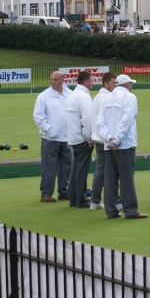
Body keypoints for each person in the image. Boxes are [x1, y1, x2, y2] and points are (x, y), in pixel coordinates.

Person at [98, 74, 147, 219]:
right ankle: (131, 211)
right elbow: (127, 120)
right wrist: (117, 139)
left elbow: (100, 122)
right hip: (124, 144)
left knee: (110, 178)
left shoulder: (106, 98)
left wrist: (108, 138)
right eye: (131, 84)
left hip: (109, 144)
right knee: (126, 179)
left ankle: (111, 211)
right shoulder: (130, 97)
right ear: (127, 85)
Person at [33, 70, 72, 203]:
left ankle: (64, 191)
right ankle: (46, 193)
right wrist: (49, 130)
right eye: (51, 79)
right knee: (49, 167)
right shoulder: (44, 96)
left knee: (66, 166)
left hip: (67, 138)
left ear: (62, 80)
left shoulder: (70, 94)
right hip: (50, 138)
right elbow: (38, 116)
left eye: (56, 80)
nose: (53, 82)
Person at [66, 70, 94, 208]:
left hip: (72, 137)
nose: (93, 83)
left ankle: (73, 199)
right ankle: (81, 200)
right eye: (92, 80)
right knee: (81, 170)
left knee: (75, 169)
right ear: (86, 81)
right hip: (82, 139)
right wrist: (89, 139)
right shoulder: (84, 97)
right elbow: (87, 120)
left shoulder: (71, 95)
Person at [89, 72, 117, 211]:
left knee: (100, 170)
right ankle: (114, 201)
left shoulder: (97, 97)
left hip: (98, 138)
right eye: (113, 82)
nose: (115, 85)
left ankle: (95, 201)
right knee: (111, 171)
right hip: (104, 139)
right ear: (105, 83)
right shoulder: (107, 98)